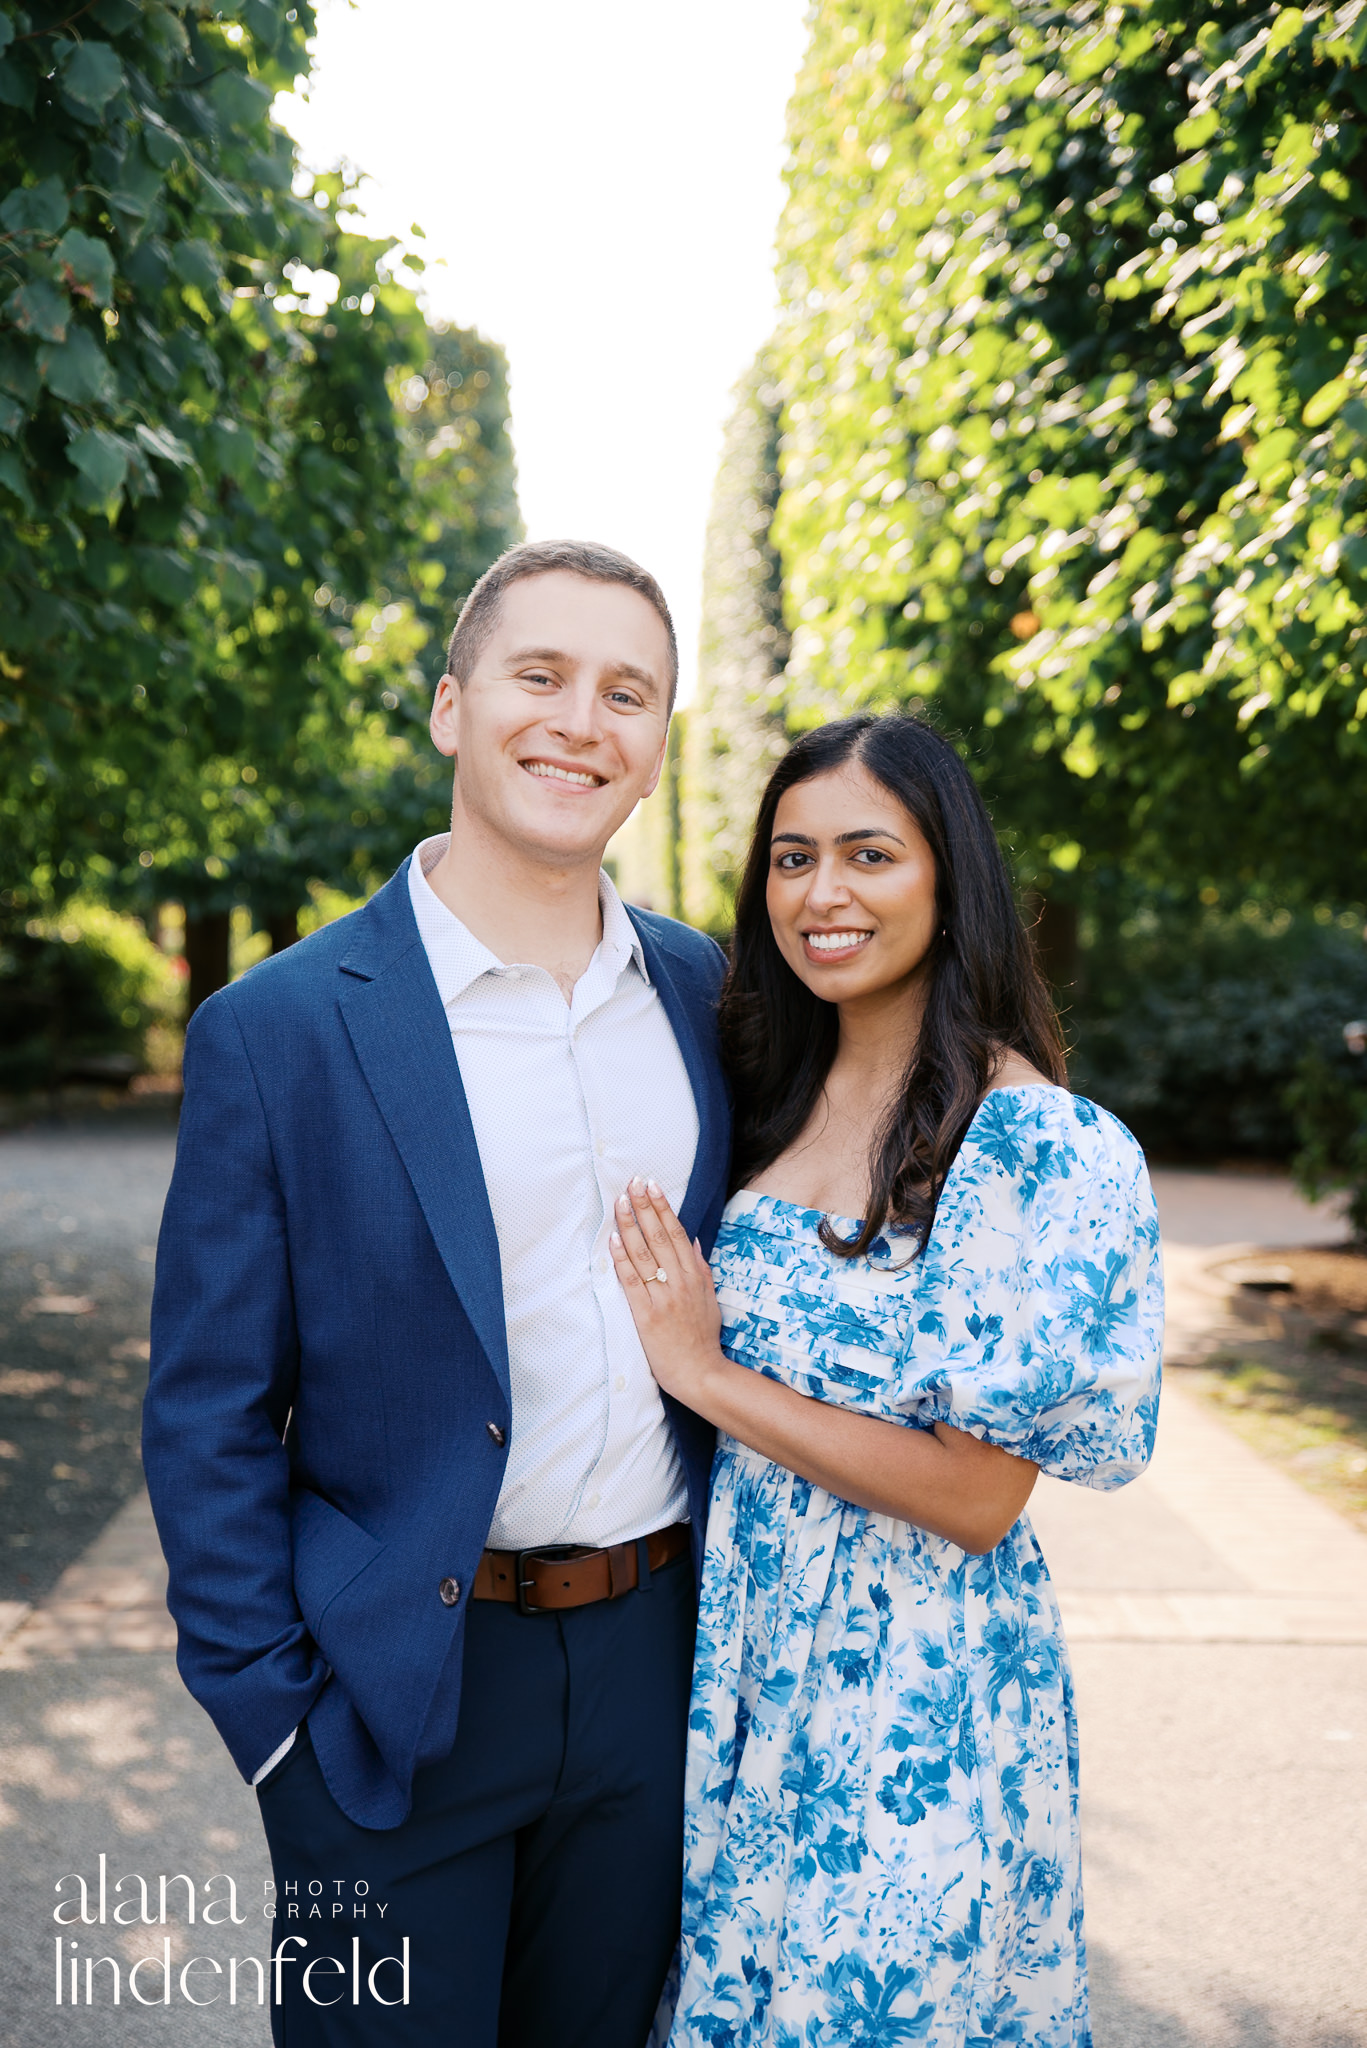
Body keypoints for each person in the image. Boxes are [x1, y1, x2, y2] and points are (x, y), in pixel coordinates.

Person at [142, 540, 731, 2048]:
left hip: (651, 1665)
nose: (581, 722)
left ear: (661, 741)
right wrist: (275, 1728)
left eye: (628, 693)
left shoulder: (714, 1000)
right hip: (395, 1690)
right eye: (540, 676)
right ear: (451, 706)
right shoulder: (275, 1031)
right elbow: (208, 1409)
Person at [610, 712, 1163, 2048]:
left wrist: (705, 1373)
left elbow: (980, 1497)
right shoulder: (763, 1089)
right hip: (746, 1664)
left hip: (916, 1692)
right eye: (792, 859)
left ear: (945, 878)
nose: (823, 894)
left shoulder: (1029, 1139)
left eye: (870, 855)